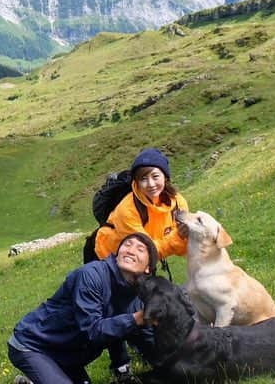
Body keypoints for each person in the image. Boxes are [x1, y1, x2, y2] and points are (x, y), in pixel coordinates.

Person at [92, 147, 189, 382]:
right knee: (113, 309)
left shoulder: (177, 201)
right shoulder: (128, 209)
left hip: (141, 261)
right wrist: (178, 238)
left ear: (165, 176)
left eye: (155, 176)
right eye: (143, 178)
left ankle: (154, 352)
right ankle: (121, 366)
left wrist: (184, 239)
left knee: (144, 302)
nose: (150, 183)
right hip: (109, 257)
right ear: (135, 182)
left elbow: (183, 247)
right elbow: (145, 250)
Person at [8, 233, 158, 384]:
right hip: (35, 345)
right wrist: (137, 318)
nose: (130, 250)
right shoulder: (91, 276)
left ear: (148, 268)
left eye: (140, 249)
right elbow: (91, 330)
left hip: (66, 355)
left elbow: (147, 340)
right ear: (118, 253)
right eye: (127, 244)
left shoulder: (137, 298)